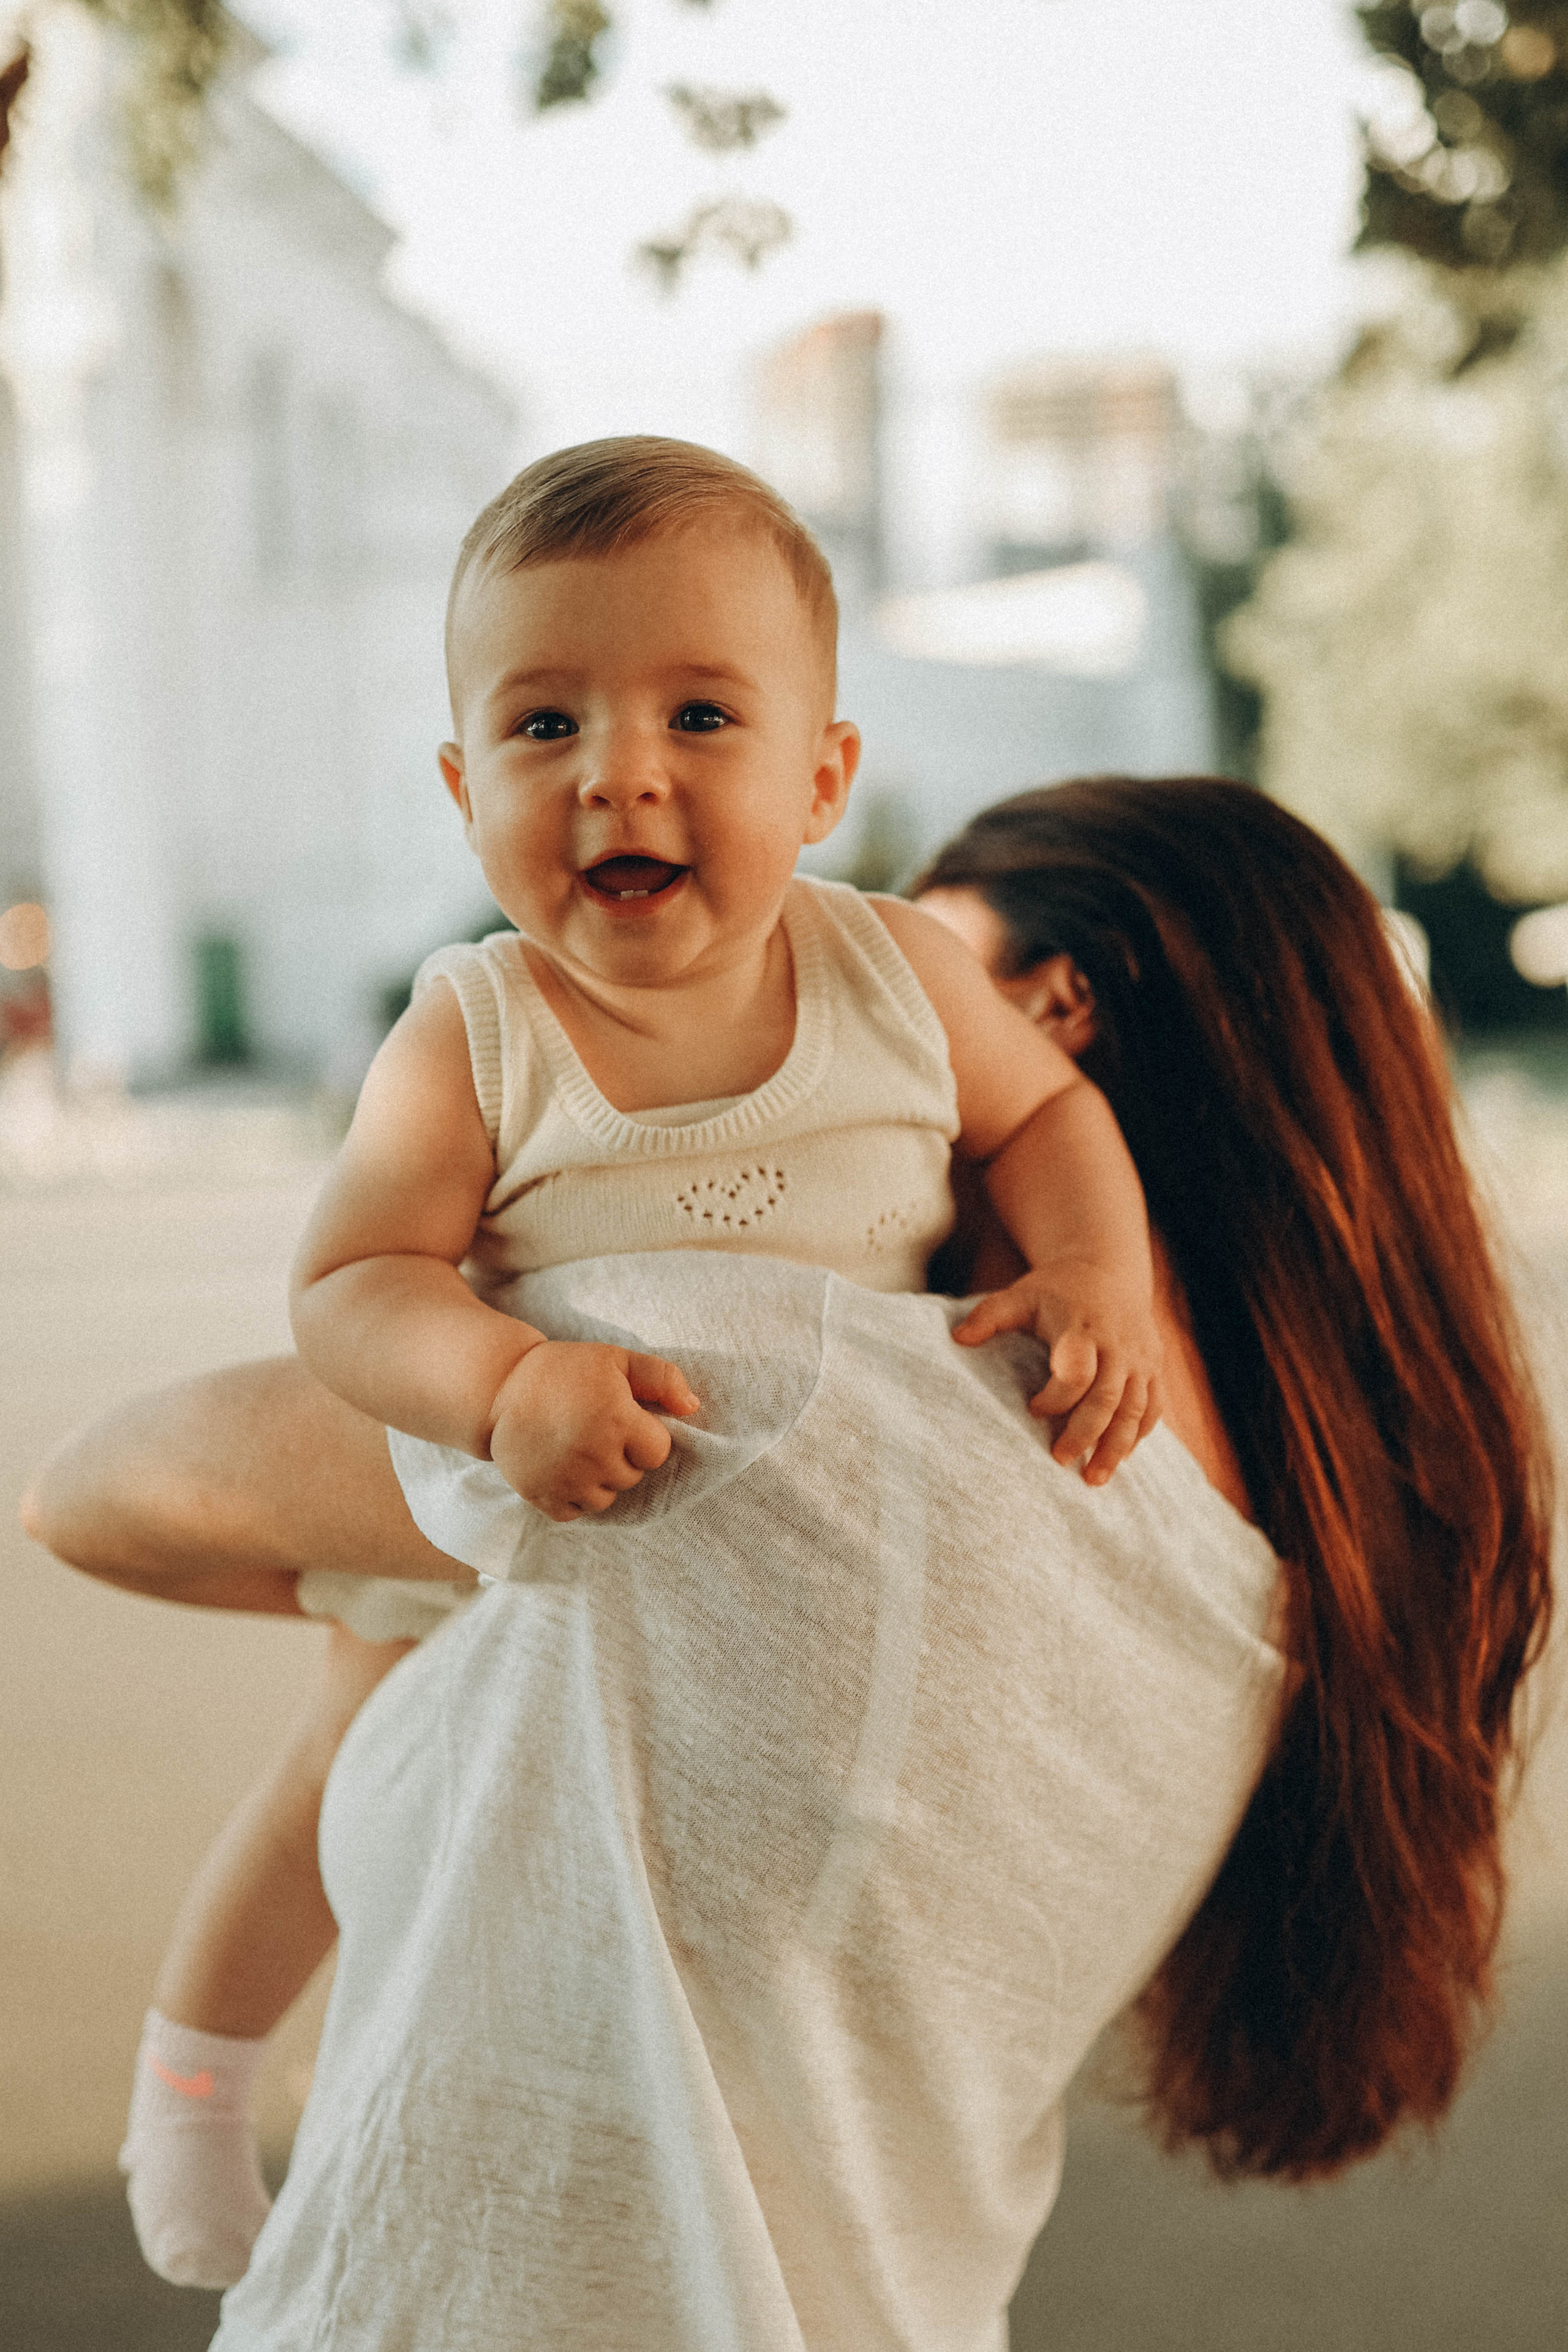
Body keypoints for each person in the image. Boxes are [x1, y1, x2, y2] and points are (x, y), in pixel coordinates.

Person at [23, 770, 1553, 2349]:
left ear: (1047, 1012)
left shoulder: (776, 1384)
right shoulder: (1292, 1600)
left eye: (888, 981)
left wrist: (492, 1361)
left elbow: (101, 1491)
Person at [23, 437, 1165, 2295]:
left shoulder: (896, 973)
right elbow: (354, 1278)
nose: (618, 772)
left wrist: (1094, 1266)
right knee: (341, 1769)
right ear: (464, 789)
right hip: (517, 1503)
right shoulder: (478, 1029)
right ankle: (198, 2076)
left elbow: (1047, 1116)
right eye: (544, 725)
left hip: (761, 1595)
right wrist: (497, 1387)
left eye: (699, 715)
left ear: (825, 778)